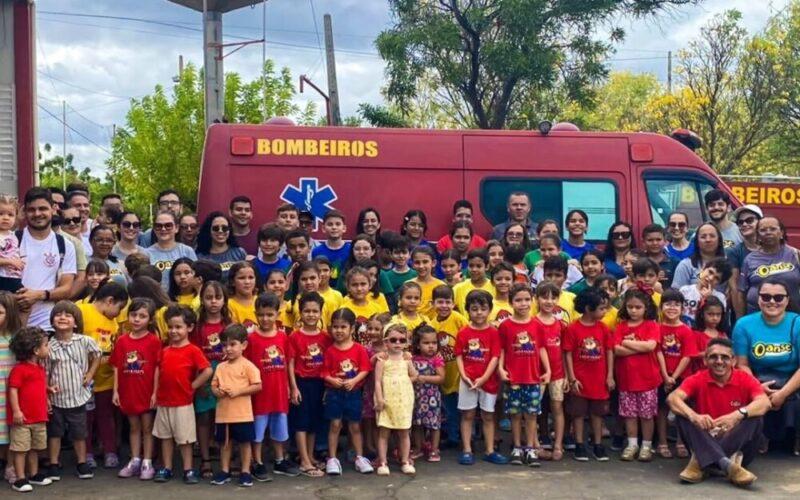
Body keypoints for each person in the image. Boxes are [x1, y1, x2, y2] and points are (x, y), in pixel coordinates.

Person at [667, 338, 770, 488]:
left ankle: (700, 463)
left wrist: (736, 416)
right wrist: (694, 416)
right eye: (713, 357)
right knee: (683, 415)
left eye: (725, 357)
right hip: (705, 435)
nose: (719, 361)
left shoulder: (745, 378)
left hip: (735, 441)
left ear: (733, 361)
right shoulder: (697, 378)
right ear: (705, 360)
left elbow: (765, 402)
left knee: (755, 417)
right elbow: (672, 398)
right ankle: (728, 465)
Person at [732, 279, 800, 453]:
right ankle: (756, 436)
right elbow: (741, 364)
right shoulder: (743, 324)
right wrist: (757, 388)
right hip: (757, 378)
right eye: (766, 296)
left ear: (787, 300)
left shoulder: (797, 323)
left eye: (778, 297)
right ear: (758, 298)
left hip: (792, 379)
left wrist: (783, 393)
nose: (772, 301)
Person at [152, 305, 213, 484]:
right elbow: (158, 371)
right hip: (164, 401)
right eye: (170, 327)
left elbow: (207, 370)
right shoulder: (164, 350)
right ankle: (167, 468)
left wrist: (192, 386)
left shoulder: (193, 350)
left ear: (190, 327)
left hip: (183, 402)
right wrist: (154, 393)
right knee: (165, 437)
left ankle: (188, 469)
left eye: (178, 327)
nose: (173, 331)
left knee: (185, 439)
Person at [246, 292, 300, 480]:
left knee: (279, 429)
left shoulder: (283, 337)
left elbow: (288, 363)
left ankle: (279, 460)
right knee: (258, 432)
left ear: (278, 314)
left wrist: (292, 387)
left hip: (279, 392)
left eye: (270, 314)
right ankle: (257, 462)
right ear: (255, 314)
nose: (265, 319)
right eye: (261, 315)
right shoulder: (251, 339)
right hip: (259, 394)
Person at [42, 300, 97, 482]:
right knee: (55, 433)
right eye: (58, 314)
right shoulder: (49, 346)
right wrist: (46, 393)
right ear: (52, 321)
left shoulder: (84, 341)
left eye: (68, 315)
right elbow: (45, 372)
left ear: (76, 322)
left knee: (79, 433)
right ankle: (53, 463)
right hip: (56, 398)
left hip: (78, 397)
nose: (63, 317)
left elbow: (97, 354)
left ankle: (81, 462)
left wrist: (90, 373)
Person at [498, 283, 551, 466]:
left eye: (527, 299)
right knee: (515, 415)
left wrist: (548, 370)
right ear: (511, 302)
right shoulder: (505, 326)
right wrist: (501, 369)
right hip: (513, 379)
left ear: (532, 300)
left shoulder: (537, 325)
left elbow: (542, 348)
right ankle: (517, 447)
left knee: (531, 415)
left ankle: (530, 448)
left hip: (533, 378)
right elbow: (502, 350)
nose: (523, 304)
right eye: (518, 300)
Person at [79, 281, 129, 469]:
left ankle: (109, 450)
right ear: (110, 301)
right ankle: (86, 452)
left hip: (106, 379)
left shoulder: (113, 323)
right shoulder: (82, 311)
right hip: (84, 379)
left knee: (106, 416)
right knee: (86, 418)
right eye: (119, 308)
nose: (119, 313)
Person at [110, 298, 161, 480]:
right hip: (128, 391)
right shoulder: (122, 341)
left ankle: (147, 461)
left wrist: (155, 392)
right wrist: (116, 391)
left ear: (150, 319)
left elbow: (157, 368)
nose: (137, 319)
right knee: (133, 427)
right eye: (133, 315)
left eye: (142, 316)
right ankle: (135, 459)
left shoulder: (154, 341)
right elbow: (116, 366)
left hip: (146, 391)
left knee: (147, 428)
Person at [455, 289, 507, 465]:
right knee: (467, 415)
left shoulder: (494, 332)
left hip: (489, 381)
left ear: (490, 310)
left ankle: (490, 450)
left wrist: (484, 378)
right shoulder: (463, 332)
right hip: (468, 381)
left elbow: (495, 357)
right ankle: (467, 450)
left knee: (488, 415)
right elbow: (459, 355)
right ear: (468, 310)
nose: (479, 313)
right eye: (474, 309)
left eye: (483, 309)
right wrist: (464, 376)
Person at [321, 308, 374, 476]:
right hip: (334, 394)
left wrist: (354, 380)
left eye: (343, 327)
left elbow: (365, 369)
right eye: (335, 327)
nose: (339, 330)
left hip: (354, 393)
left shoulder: (359, 349)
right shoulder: (330, 350)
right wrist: (332, 380)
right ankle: (332, 459)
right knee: (335, 425)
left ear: (352, 328)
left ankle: (360, 457)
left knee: (355, 426)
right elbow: (324, 372)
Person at [564, 288, 614, 462]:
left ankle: (598, 444)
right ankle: (579, 444)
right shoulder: (572, 328)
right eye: (601, 308)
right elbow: (568, 354)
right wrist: (572, 378)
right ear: (587, 308)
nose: (605, 311)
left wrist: (610, 375)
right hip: (580, 379)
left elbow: (609, 351)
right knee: (578, 413)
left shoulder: (603, 328)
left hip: (599, 379)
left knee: (598, 413)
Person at [17, 187, 77, 330]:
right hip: (12, 323)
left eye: (42, 208)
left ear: (53, 208)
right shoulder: (12, 241)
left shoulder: (65, 245)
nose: (37, 214)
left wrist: (39, 295)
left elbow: (67, 288)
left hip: (47, 325)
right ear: (24, 211)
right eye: (31, 210)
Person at [210, 324, 262, 488]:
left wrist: (239, 391)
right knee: (225, 444)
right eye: (224, 345)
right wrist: (218, 392)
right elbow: (213, 386)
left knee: (245, 443)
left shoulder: (248, 365)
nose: (228, 349)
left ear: (244, 345)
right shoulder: (220, 367)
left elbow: (258, 386)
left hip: (242, 415)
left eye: (233, 344)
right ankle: (224, 470)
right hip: (223, 415)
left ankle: (245, 471)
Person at [614, 288, 661, 462]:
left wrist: (626, 342)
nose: (633, 310)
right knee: (629, 414)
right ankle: (632, 444)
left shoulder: (652, 325)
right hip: (626, 379)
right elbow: (616, 350)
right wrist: (638, 347)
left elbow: (650, 346)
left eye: (638, 307)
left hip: (648, 379)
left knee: (647, 415)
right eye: (630, 307)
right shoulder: (621, 327)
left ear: (646, 307)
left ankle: (646, 445)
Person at [288, 292, 331, 477]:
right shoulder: (294, 337)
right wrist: (293, 387)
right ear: (300, 312)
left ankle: (311, 456)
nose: (311, 315)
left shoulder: (326, 337)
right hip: (302, 383)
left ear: (321, 313)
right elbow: (290, 363)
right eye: (307, 311)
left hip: (320, 383)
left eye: (315, 311)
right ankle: (304, 461)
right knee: (301, 423)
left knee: (314, 422)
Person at [7, 327, 51, 492]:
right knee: (20, 449)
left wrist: (48, 395)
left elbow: (38, 388)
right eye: (46, 345)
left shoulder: (40, 368)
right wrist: (16, 411)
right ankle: (20, 478)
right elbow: (13, 390)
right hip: (23, 419)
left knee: (34, 448)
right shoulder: (19, 370)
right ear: (36, 350)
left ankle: (34, 474)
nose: (48, 348)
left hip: (39, 416)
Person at [655, 289, 697, 459]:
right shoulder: (657, 328)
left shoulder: (686, 330)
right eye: (668, 304)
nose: (672, 308)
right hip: (661, 376)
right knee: (662, 410)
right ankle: (662, 442)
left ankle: (681, 442)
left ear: (682, 308)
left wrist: (674, 377)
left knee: (681, 409)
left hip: (682, 377)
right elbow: (657, 352)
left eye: (676, 304)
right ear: (661, 307)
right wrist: (666, 376)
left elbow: (687, 356)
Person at [374, 323, 418, 476]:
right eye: (393, 340)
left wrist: (403, 382)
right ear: (386, 342)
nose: (398, 343)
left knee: (404, 431)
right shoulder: (382, 360)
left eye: (402, 340)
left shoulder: (406, 359)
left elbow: (414, 375)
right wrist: (379, 398)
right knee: (384, 432)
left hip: (403, 400)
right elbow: (377, 381)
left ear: (406, 342)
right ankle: (383, 462)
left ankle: (405, 461)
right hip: (387, 400)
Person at [428, 285, 468, 448]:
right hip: (445, 373)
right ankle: (453, 437)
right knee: (449, 408)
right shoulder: (432, 324)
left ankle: (468, 437)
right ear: (433, 303)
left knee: (465, 408)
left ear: (453, 303)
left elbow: (468, 338)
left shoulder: (458, 319)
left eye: (448, 302)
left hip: (461, 372)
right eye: (440, 302)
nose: (444, 306)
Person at [738, 217, 800, 315]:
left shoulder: (796, 255)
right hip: (757, 316)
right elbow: (741, 292)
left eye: (773, 229)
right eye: (763, 230)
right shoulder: (749, 260)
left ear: (781, 233)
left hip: (791, 317)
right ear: (758, 235)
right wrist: (740, 318)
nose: (768, 232)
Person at [410, 324, 445, 463]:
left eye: (434, 343)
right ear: (418, 345)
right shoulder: (412, 359)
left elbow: (441, 378)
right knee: (417, 423)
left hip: (432, 397)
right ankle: (418, 448)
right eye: (426, 343)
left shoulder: (437, 359)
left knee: (434, 424)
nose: (431, 346)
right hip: (417, 397)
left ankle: (434, 449)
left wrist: (423, 378)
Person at [146, 211, 197, 291]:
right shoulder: (146, 253)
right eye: (159, 226)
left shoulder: (187, 251)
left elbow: (196, 278)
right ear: (154, 229)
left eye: (168, 225)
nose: (163, 229)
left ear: (176, 228)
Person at [727, 205, 763, 319]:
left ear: (760, 222)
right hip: (746, 313)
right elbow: (734, 287)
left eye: (749, 220)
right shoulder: (735, 252)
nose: (744, 224)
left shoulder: (772, 248)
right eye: (740, 222)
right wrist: (740, 319)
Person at [672, 223, 726, 290]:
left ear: (719, 239)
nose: (708, 240)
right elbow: (675, 293)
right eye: (703, 237)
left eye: (712, 236)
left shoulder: (727, 265)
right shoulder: (685, 265)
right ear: (697, 241)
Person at [679, 258, 730, 328]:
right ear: (703, 269)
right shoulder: (685, 290)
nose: (711, 278)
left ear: (719, 283)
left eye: (716, 278)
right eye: (710, 272)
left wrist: (709, 299)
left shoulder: (720, 298)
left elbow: (717, 324)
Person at [195, 212, 246, 281]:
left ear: (229, 230)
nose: (220, 231)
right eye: (216, 228)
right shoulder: (199, 257)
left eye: (224, 228)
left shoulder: (239, 253)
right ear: (209, 230)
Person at [312, 210, 351, 286]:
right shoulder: (316, 251)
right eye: (330, 224)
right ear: (323, 228)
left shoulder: (351, 249)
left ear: (344, 228)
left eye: (338, 224)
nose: (334, 227)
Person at [453, 249, 495, 314]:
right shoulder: (458, 288)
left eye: (478, 266)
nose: (474, 269)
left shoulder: (494, 287)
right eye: (471, 266)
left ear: (487, 266)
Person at [641, 224, 679, 288]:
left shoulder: (675, 262)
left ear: (665, 241)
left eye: (658, 239)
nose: (655, 243)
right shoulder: (639, 261)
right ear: (643, 242)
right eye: (650, 240)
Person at [0, 195, 23, 293]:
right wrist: (10, 262)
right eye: (1, 214)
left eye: (10, 215)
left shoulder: (14, 236)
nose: (6, 218)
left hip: (14, 278)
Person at [67, 190, 93, 256]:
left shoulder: (97, 228)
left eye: (86, 205)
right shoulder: (63, 233)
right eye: (78, 205)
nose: (83, 209)